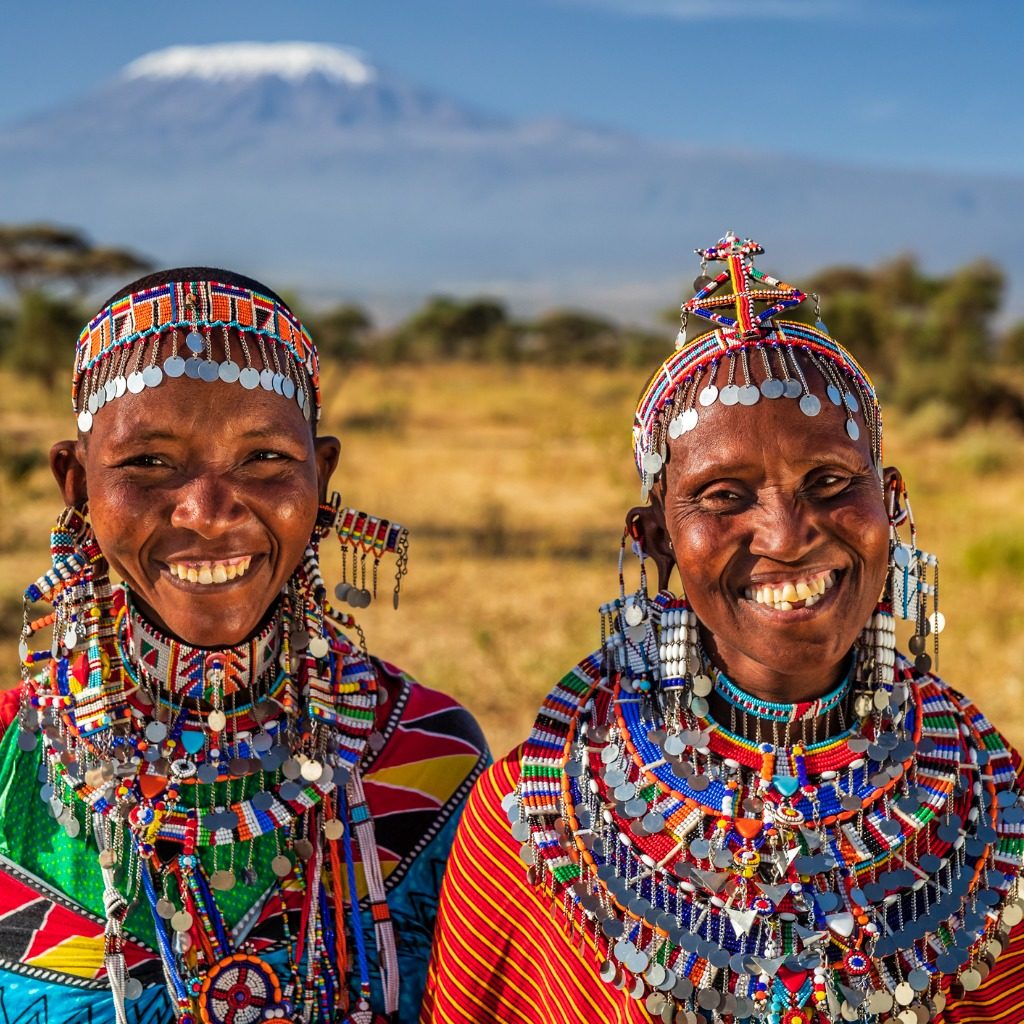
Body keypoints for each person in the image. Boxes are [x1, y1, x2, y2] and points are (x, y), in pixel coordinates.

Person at [422, 235, 1024, 1024]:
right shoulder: (532, 824)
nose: (786, 533)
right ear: (657, 540)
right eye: (724, 495)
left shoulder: (993, 809)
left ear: (893, 503)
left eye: (832, 482)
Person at [0, 269, 489, 1024]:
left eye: (263, 459)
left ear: (321, 478)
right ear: (76, 484)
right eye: (148, 464)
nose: (207, 512)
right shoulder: (9, 765)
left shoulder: (429, 761)